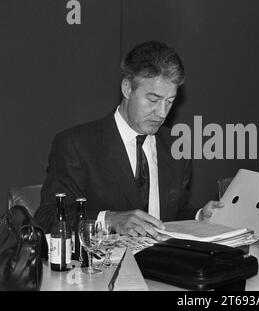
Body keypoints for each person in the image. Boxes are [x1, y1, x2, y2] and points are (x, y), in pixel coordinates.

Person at [33, 41, 223, 239]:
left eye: (170, 101)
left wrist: (200, 216)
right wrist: (109, 220)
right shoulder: (76, 145)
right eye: (153, 100)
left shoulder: (176, 146)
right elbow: (48, 218)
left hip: (164, 264)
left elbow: (172, 215)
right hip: (103, 266)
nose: (162, 112)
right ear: (127, 88)